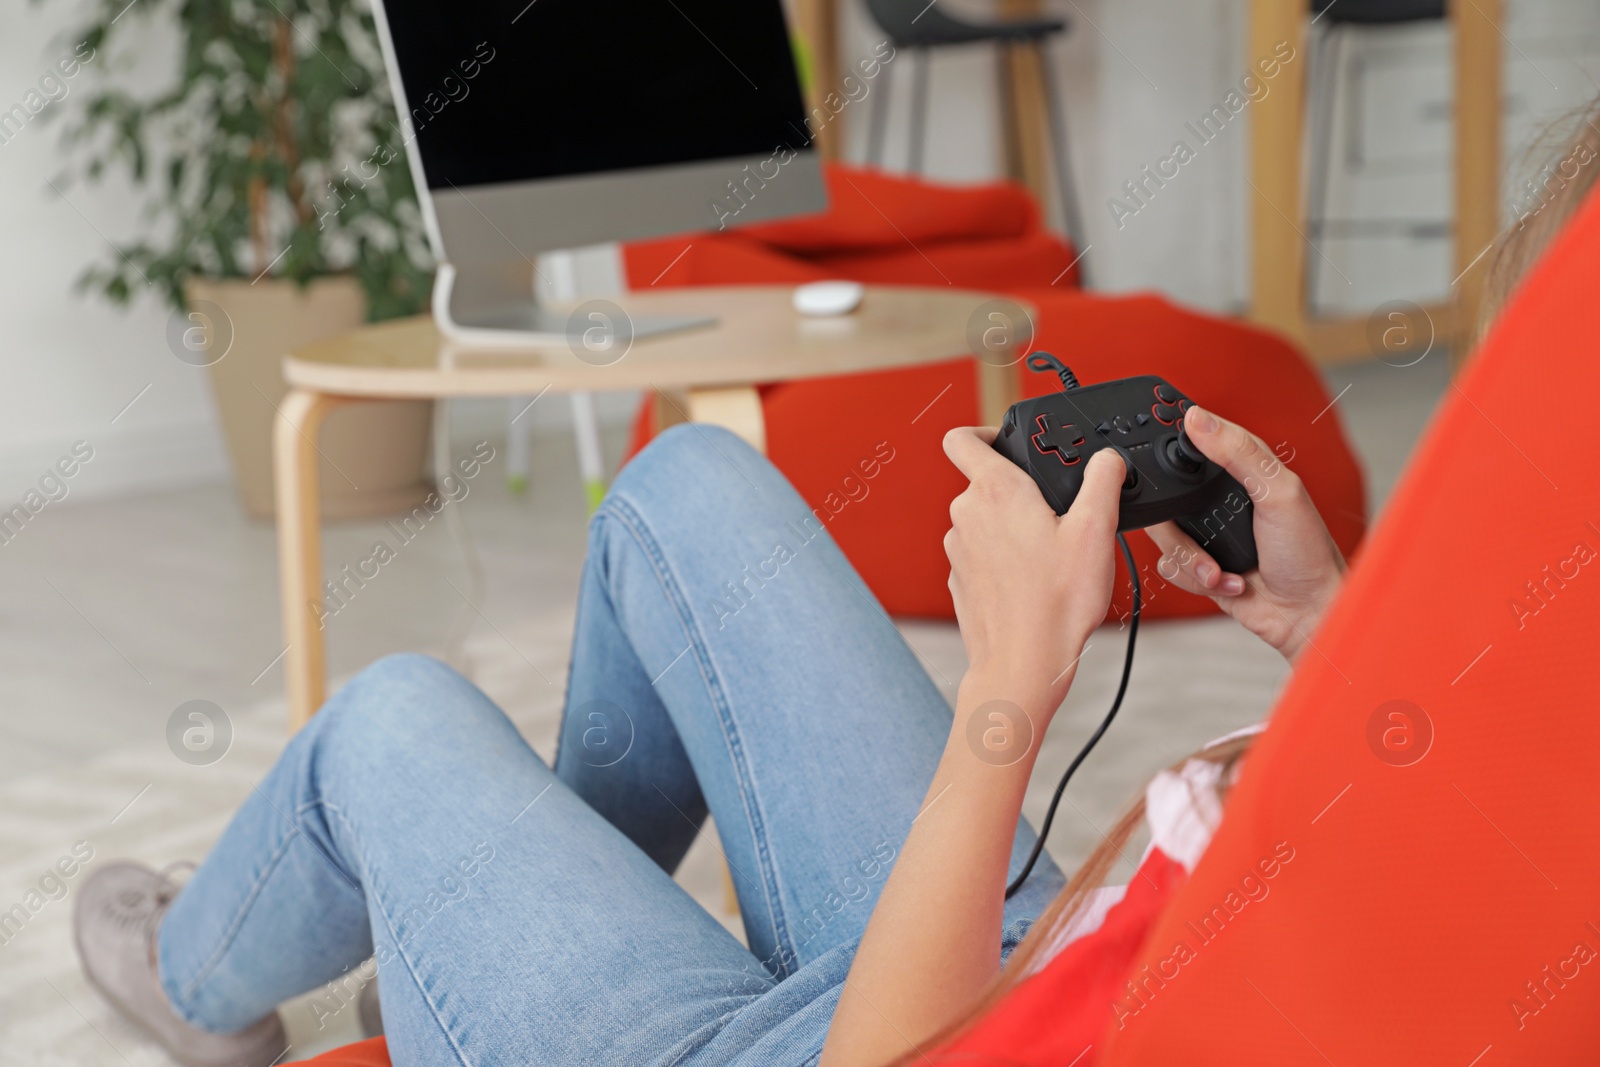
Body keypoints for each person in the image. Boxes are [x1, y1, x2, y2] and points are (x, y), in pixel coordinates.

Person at [74, 96, 1599, 1066]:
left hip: (889, 1035)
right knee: (688, 485)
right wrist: (1336, 642)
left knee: (393, 721)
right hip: (1013, 959)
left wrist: (1008, 690)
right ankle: (475, 970)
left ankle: (196, 987)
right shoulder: (1550, 740)